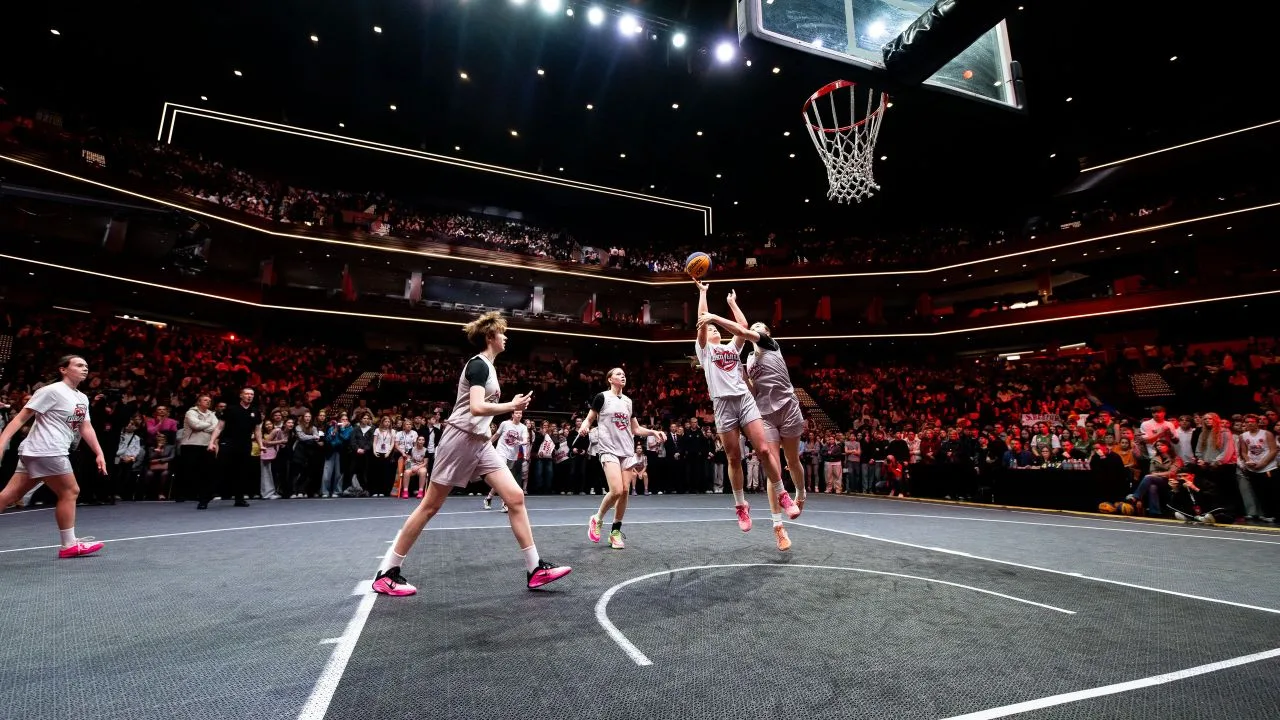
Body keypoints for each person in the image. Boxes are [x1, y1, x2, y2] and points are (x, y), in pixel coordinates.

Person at [372, 312, 571, 596]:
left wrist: (509, 405)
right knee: (430, 506)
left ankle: (535, 568)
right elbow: (477, 408)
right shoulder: (478, 365)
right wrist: (510, 406)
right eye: (502, 333)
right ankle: (387, 572)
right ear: (490, 336)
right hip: (459, 439)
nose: (505, 337)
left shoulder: (490, 367)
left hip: (480, 442)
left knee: (515, 496)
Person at [693, 281, 800, 552]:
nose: (713, 330)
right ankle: (741, 505)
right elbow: (702, 321)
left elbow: (741, 326)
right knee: (733, 457)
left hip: (744, 400)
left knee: (763, 450)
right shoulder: (705, 351)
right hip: (723, 405)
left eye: (716, 328)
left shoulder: (732, 348)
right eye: (710, 328)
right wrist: (703, 294)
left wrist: (731, 304)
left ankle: (783, 493)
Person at [0, 355, 108, 558]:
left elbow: (85, 427)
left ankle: (69, 543)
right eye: (79, 365)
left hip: (39, 451)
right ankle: (69, 545)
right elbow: (21, 418)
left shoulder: (82, 398)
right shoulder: (51, 391)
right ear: (63, 369)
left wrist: (99, 452)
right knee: (70, 491)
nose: (85, 368)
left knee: (8, 496)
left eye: (86, 365)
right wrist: (1, 442)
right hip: (47, 449)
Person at [725, 289, 808, 513]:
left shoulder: (771, 344)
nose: (755, 328)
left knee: (792, 461)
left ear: (767, 333)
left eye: (759, 326)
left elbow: (742, 331)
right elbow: (754, 390)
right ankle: (777, 524)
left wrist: (731, 305)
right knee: (774, 467)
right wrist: (743, 376)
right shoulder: (750, 359)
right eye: (754, 326)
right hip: (765, 413)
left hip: (788, 407)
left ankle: (801, 492)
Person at [579, 368, 667, 550]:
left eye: (624, 374)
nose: (622, 376)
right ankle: (597, 518)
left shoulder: (628, 401)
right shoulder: (602, 397)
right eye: (618, 374)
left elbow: (635, 429)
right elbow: (589, 419)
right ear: (610, 379)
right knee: (616, 490)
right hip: (608, 449)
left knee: (625, 490)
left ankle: (615, 532)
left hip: (626, 450)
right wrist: (584, 427)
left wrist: (653, 432)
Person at [486, 409, 529, 512]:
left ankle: (489, 497)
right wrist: (487, 444)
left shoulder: (523, 427)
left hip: (512, 455)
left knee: (501, 480)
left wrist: (522, 442)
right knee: (504, 477)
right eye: (517, 413)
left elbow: (525, 439)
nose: (519, 415)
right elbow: (496, 435)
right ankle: (504, 503)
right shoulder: (505, 424)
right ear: (512, 415)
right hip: (501, 452)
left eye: (520, 413)